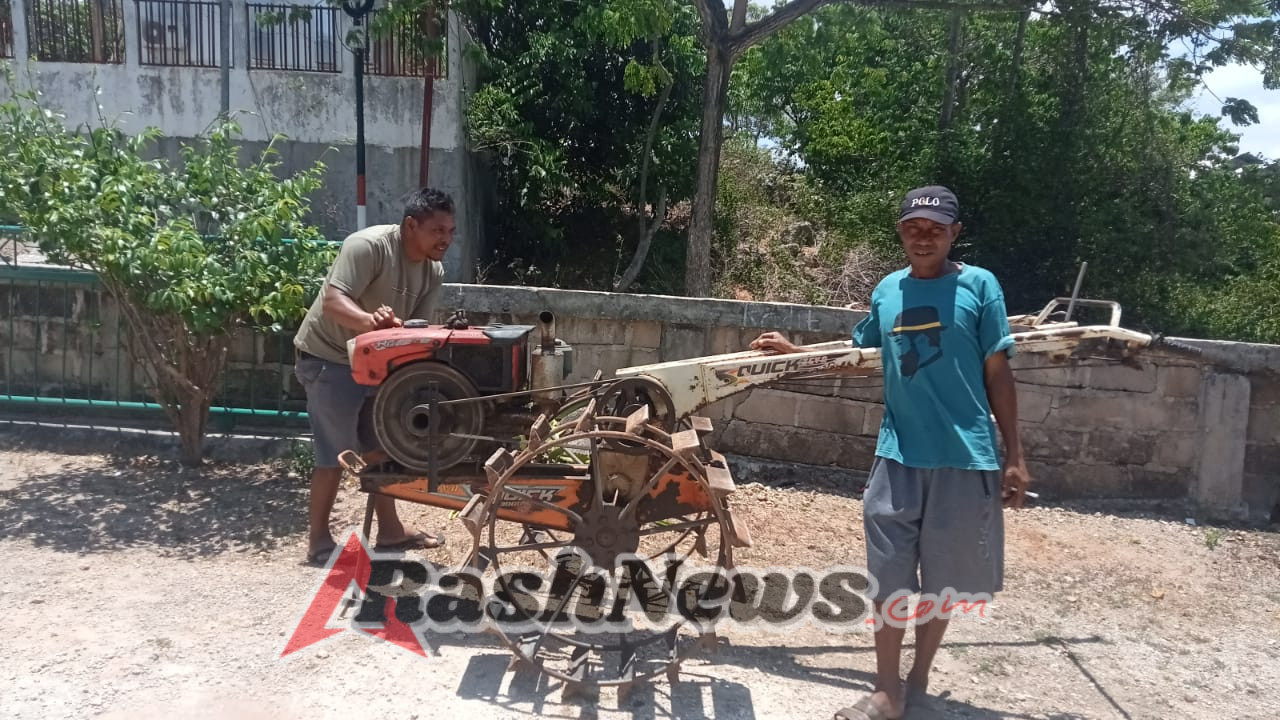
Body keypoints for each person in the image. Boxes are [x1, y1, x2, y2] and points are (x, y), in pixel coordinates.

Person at [750, 185, 1030, 720]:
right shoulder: (887, 291)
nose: (923, 237)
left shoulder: (980, 287)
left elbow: (998, 372)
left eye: (936, 228)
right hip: (897, 456)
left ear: (954, 233)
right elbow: (861, 355)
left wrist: (1014, 453)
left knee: (944, 582)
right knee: (889, 578)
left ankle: (918, 677)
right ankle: (886, 690)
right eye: (913, 228)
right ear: (901, 231)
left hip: (964, 457)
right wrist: (799, 352)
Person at [292, 187, 457, 565]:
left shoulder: (433, 270)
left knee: (384, 446)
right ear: (411, 225)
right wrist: (370, 323)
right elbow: (333, 301)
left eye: (450, 231)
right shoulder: (367, 246)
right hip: (328, 358)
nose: (445, 240)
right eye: (437, 231)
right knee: (335, 455)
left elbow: (418, 329)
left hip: (376, 363)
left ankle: (391, 531)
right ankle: (318, 542)